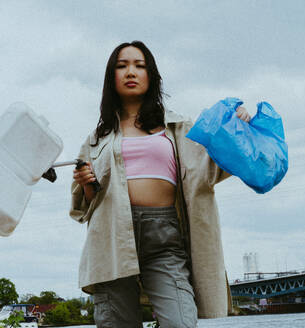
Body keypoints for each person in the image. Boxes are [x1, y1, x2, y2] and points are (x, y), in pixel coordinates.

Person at [70, 41, 251, 328]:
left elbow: (214, 166)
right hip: (111, 237)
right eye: (122, 66)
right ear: (111, 77)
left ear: (151, 76)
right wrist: (87, 183)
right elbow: (87, 206)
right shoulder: (96, 139)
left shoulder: (179, 127)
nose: (131, 72)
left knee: (180, 321)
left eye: (139, 66)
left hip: (165, 237)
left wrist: (238, 126)